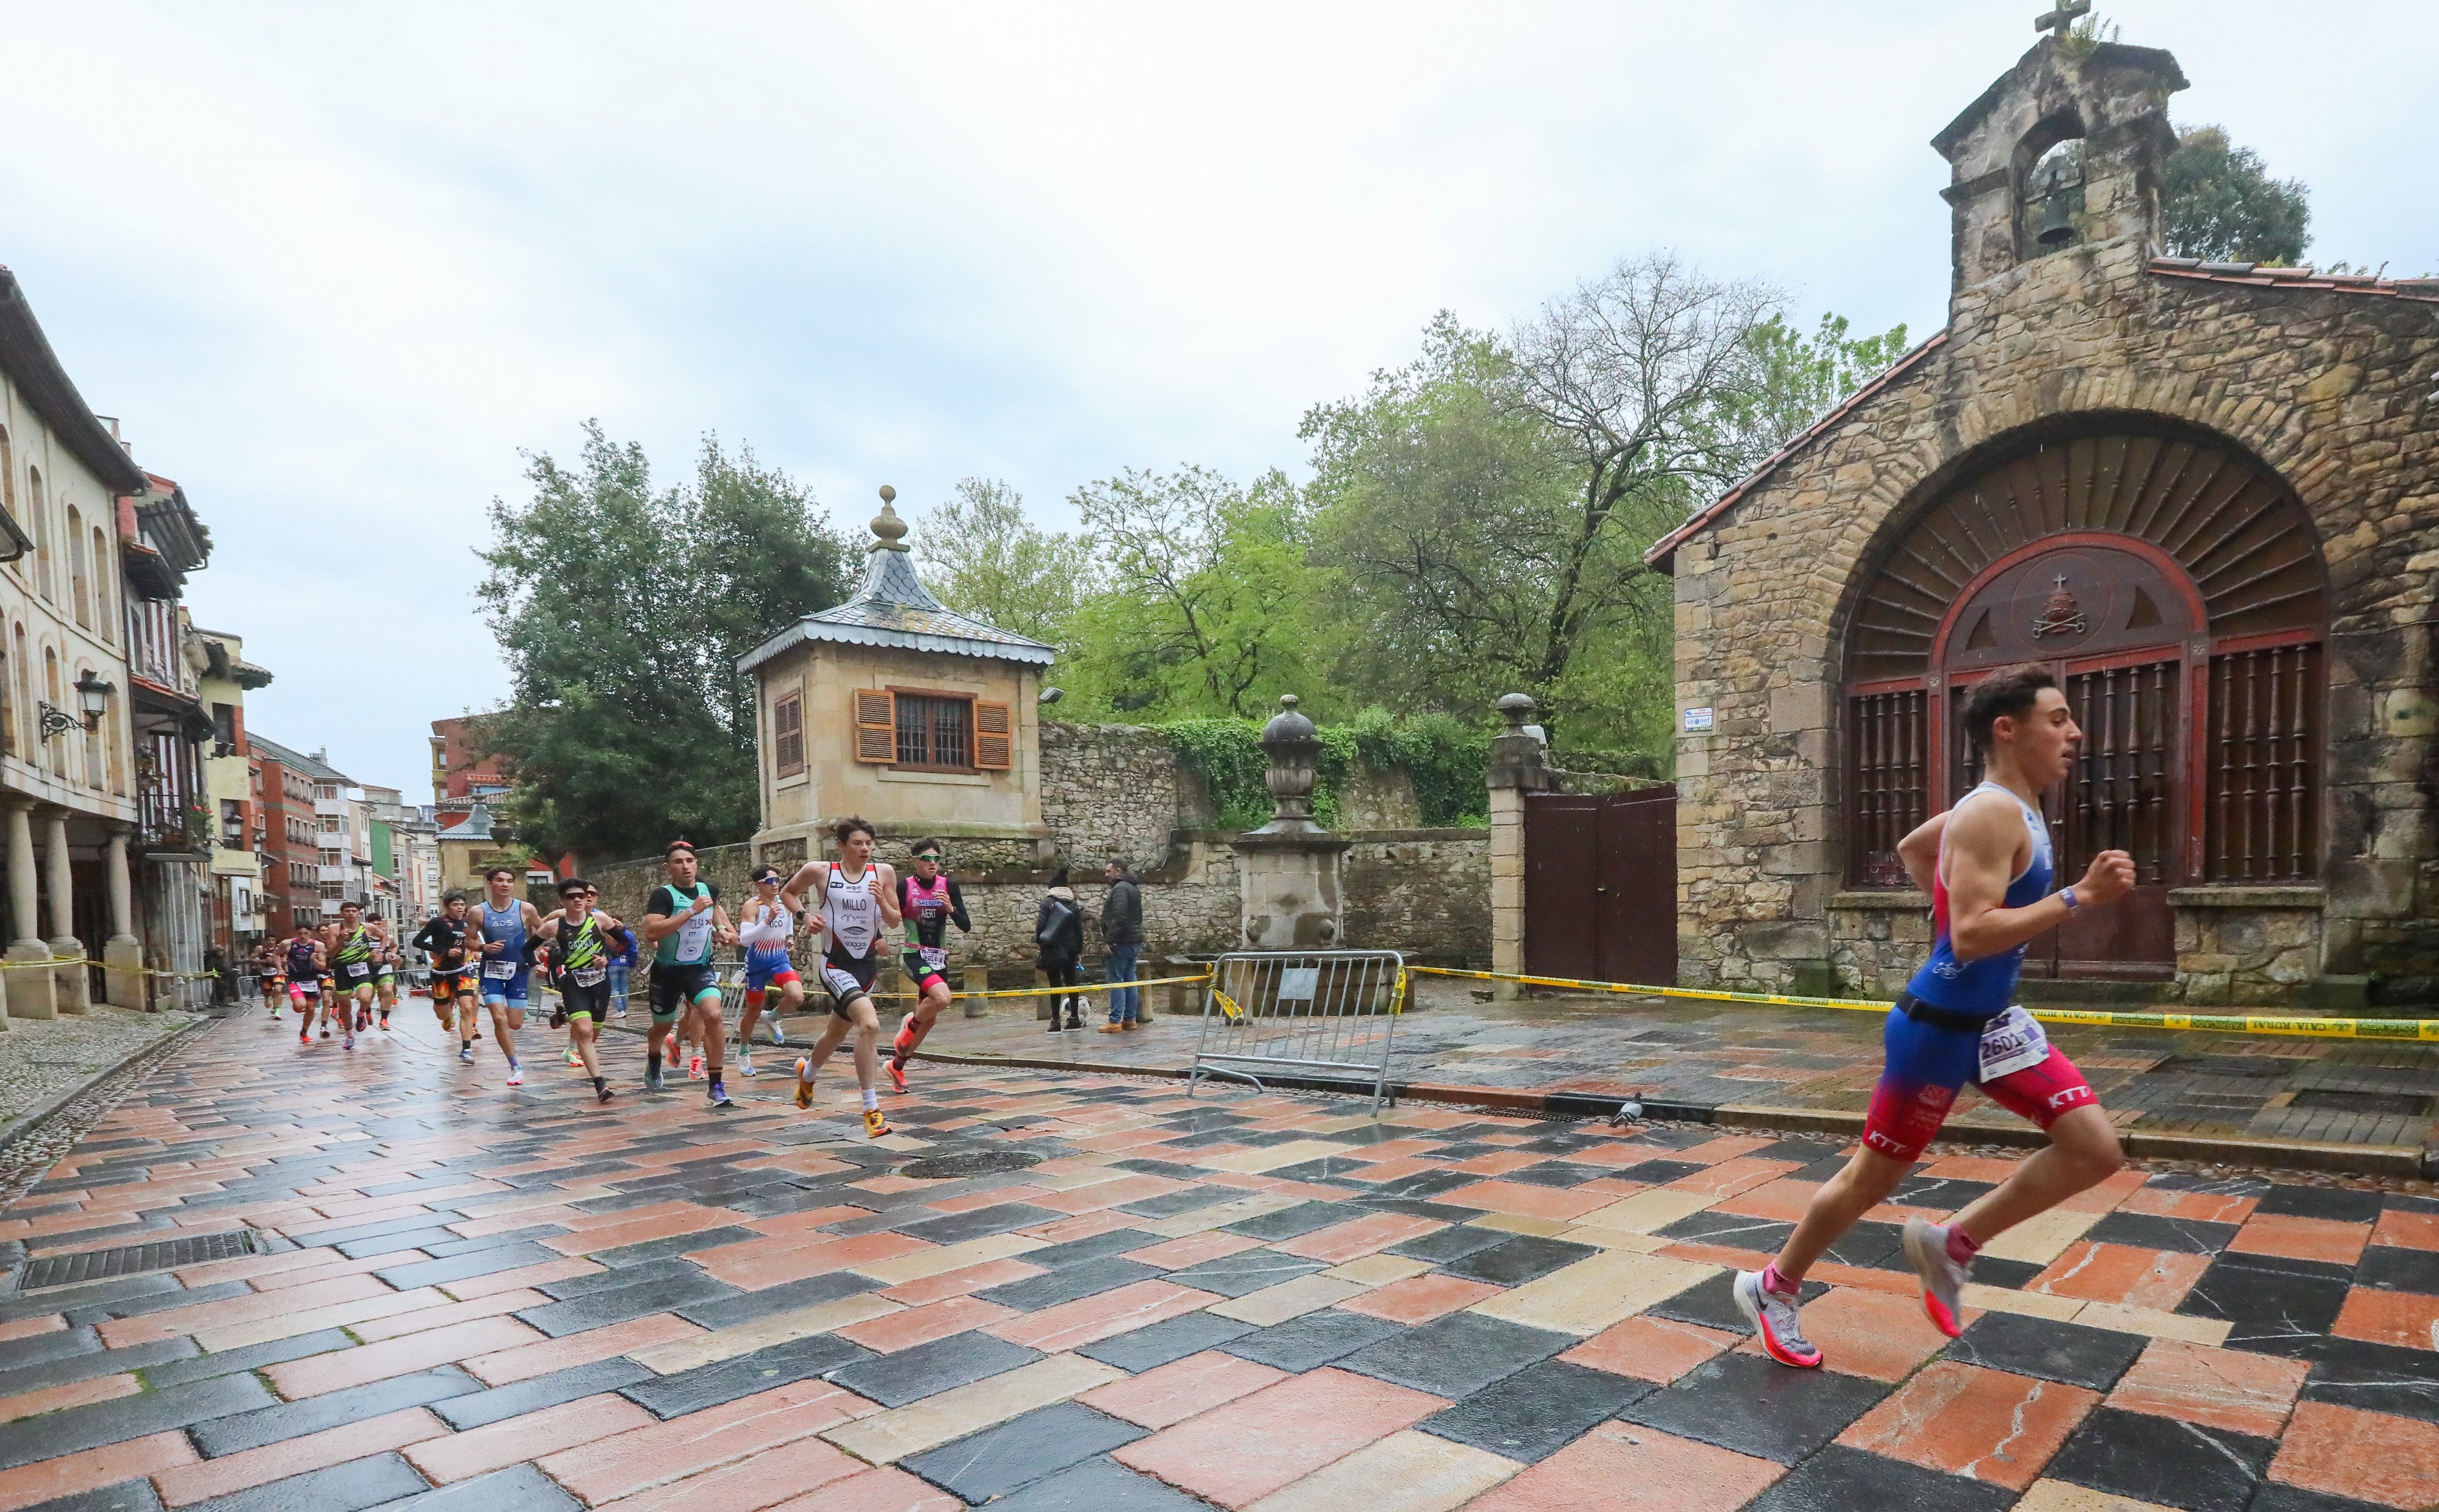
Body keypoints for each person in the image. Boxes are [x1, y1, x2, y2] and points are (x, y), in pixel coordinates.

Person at [1736, 665, 2136, 1368]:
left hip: (1991, 1022)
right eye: (2057, 718)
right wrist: (2078, 896)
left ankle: (1951, 1242)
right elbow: (1974, 935)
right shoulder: (1991, 812)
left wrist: (1949, 902)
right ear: (2006, 729)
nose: (2074, 732)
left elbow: (1916, 851)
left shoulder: (2010, 806)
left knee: (2094, 1148)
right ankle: (1771, 1286)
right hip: (1937, 1028)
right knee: (1872, 1177)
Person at [782, 816, 902, 1139]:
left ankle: (807, 1074)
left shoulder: (884, 874)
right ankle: (871, 1109)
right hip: (835, 965)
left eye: (868, 844)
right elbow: (788, 892)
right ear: (841, 846)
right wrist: (805, 916)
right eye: (857, 843)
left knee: (836, 1033)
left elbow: (894, 921)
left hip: (867, 967)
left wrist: (880, 901)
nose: (865, 849)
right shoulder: (821, 871)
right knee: (871, 1025)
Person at [640, 841, 737, 1104]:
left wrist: (726, 935)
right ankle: (653, 1059)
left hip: (699, 968)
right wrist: (690, 912)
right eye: (678, 862)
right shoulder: (663, 896)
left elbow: (724, 926)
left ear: (696, 864)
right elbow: (652, 932)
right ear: (667, 868)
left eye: (690, 861)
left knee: (714, 1015)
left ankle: (716, 1085)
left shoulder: (709, 892)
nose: (686, 866)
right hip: (667, 971)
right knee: (662, 1026)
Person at [535, 875, 630, 1104]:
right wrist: (536, 963)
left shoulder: (599, 920)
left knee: (592, 1033)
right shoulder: (555, 925)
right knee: (585, 1031)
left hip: (599, 983)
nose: (579, 900)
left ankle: (565, 1016)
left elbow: (626, 943)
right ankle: (600, 1084)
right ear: (562, 901)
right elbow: (530, 946)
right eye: (572, 896)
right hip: (573, 983)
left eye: (583, 895)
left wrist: (608, 959)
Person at [887, 838, 971, 1088]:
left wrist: (951, 909)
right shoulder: (905, 887)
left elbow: (966, 925)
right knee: (943, 998)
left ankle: (897, 1066)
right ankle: (909, 1027)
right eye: (926, 859)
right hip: (914, 954)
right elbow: (888, 916)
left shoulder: (949, 886)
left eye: (936, 859)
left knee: (931, 1018)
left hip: (938, 957)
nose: (932, 864)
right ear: (915, 861)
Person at [473, 866, 545, 1088]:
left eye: (509, 881)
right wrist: (484, 946)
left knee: (515, 1023)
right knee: (498, 1018)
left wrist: (537, 954)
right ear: (490, 884)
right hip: (491, 971)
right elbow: (468, 941)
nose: (505, 885)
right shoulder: (478, 912)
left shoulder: (525, 909)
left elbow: (542, 931)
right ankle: (515, 1066)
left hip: (518, 971)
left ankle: (514, 1061)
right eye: (500, 880)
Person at [734, 866, 802, 1078]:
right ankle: (743, 1051)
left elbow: (788, 920)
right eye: (769, 881)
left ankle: (773, 1017)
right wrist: (768, 920)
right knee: (753, 1012)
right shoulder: (753, 906)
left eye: (777, 880)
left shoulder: (784, 901)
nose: (775, 884)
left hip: (779, 959)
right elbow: (745, 940)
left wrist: (789, 938)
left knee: (797, 996)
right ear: (758, 885)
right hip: (756, 965)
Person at [413, 893, 481, 1062]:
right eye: (455, 905)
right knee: (442, 1014)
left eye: (462, 904)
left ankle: (466, 1049)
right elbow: (417, 941)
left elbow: (473, 941)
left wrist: (484, 949)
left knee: (467, 1007)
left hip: (462, 971)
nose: (460, 908)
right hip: (441, 974)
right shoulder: (438, 922)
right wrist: (444, 951)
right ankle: (448, 1017)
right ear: (447, 907)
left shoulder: (468, 924)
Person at [323, 900, 387, 1042]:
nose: (351, 913)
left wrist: (381, 952)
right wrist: (341, 940)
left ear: (359, 913)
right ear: (341, 913)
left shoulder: (368, 927)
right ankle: (350, 1035)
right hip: (342, 968)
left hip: (362, 967)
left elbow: (384, 937)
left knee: (365, 997)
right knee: (345, 1005)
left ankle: (362, 1013)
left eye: (354, 911)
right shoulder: (334, 929)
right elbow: (331, 954)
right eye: (347, 911)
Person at [1098, 855, 1144, 1033]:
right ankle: (1130, 1019)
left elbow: (1119, 916)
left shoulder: (1120, 889)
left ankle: (1115, 1020)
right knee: (1130, 980)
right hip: (1134, 940)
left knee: (1116, 981)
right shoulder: (1133, 888)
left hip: (1121, 942)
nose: (1106, 874)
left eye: (1109, 871)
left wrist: (1109, 940)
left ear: (1118, 871)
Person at [1036, 867, 1084, 1032]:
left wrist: (1039, 942)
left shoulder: (1047, 903)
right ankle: (1074, 1018)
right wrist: (1079, 950)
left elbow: (1041, 927)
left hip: (1052, 949)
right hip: (1070, 950)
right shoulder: (1074, 905)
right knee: (1072, 982)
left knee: (1055, 984)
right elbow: (1079, 930)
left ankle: (1055, 1020)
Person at [284, 924, 326, 1045]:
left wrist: (315, 960)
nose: (303, 936)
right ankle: (297, 1005)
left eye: (306, 933)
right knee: (301, 1005)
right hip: (295, 980)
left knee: (311, 1008)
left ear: (311, 933)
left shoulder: (318, 946)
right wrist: (280, 967)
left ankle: (304, 1033)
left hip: (312, 980)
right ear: (296, 933)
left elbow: (323, 966)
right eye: (300, 933)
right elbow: (277, 954)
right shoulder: (288, 944)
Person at [254, 939, 286, 1021]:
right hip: (266, 974)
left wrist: (284, 961)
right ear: (265, 941)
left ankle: (277, 1012)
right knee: (267, 991)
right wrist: (263, 961)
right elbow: (251, 959)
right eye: (269, 940)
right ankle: (267, 998)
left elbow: (287, 957)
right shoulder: (260, 949)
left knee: (278, 990)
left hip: (278, 973)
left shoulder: (280, 948)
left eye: (273, 940)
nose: (271, 942)